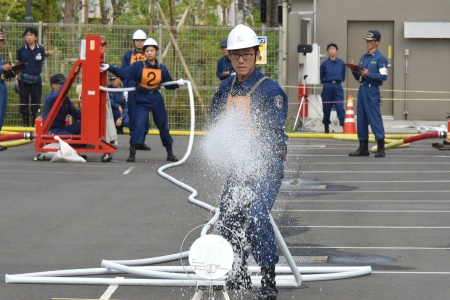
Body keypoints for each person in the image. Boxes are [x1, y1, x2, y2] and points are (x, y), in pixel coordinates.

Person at [209, 24, 288, 300]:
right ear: (229, 57)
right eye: (236, 55)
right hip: (240, 165)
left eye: (246, 54)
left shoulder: (270, 91)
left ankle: (268, 279)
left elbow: (273, 133)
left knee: (255, 216)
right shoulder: (224, 89)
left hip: (266, 166)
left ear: (257, 54)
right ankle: (237, 271)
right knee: (228, 218)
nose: (241, 60)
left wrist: (247, 146)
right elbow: (215, 123)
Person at [100, 38, 183, 162]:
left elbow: (168, 84)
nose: (149, 53)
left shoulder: (162, 68)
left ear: (156, 52)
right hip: (141, 97)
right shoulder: (138, 66)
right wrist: (109, 67)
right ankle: (132, 153)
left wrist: (177, 83)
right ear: (144, 53)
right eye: (147, 50)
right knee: (138, 125)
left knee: (163, 125)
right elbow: (124, 73)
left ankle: (169, 152)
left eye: (152, 50)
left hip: (155, 98)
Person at [349, 30, 388, 158]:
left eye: (370, 41)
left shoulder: (380, 58)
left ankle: (381, 147)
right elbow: (359, 77)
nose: (367, 43)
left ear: (377, 43)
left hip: (372, 90)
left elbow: (383, 77)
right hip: (362, 89)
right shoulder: (363, 57)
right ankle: (363, 147)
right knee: (361, 119)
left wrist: (369, 74)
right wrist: (354, 70)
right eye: (367, 41)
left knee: (374, 118)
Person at [121, 29, 151, 150]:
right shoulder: (128, 55)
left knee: (145, 116)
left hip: (145, 90)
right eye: (138, 40)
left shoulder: (149, 55)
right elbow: (123, 72)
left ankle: (141, 141)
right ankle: (134, 142)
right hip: (131, 90)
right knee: (133, 116)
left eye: (142, 40)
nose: (140, 43)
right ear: (134, 42)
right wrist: (125, 90)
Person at [16, 27, 46, 127]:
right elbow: (18, 64)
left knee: (36, 102)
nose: (29, 37)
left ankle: (36, 123)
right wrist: (18, 81)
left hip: (36, 80)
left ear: (35, 37)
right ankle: (25, 124)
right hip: (24, 80)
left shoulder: (41, 49)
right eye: (27, 35)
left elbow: (41, 63)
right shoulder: (21, 49)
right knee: (23, 102)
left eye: (31, 35)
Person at [320, 42, 346, 133]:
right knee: (326, 107)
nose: (332, 50)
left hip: (338, 86)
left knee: (340, 107)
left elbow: (343, 76)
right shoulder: (324, 64)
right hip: (327, 85)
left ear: (337, 50)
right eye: (330, 49)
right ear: (328, 51)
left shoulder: (342, 63)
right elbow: (321, 75)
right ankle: (326, 126)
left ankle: (344, 126)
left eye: (333, 49)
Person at [0, 29, 15, 151]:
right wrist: (1, 68)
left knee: (1, 114)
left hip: (2, 85)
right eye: (0, 40)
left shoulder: (0, 55)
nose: (1, 43)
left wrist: (11, 72)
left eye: (2, 41)